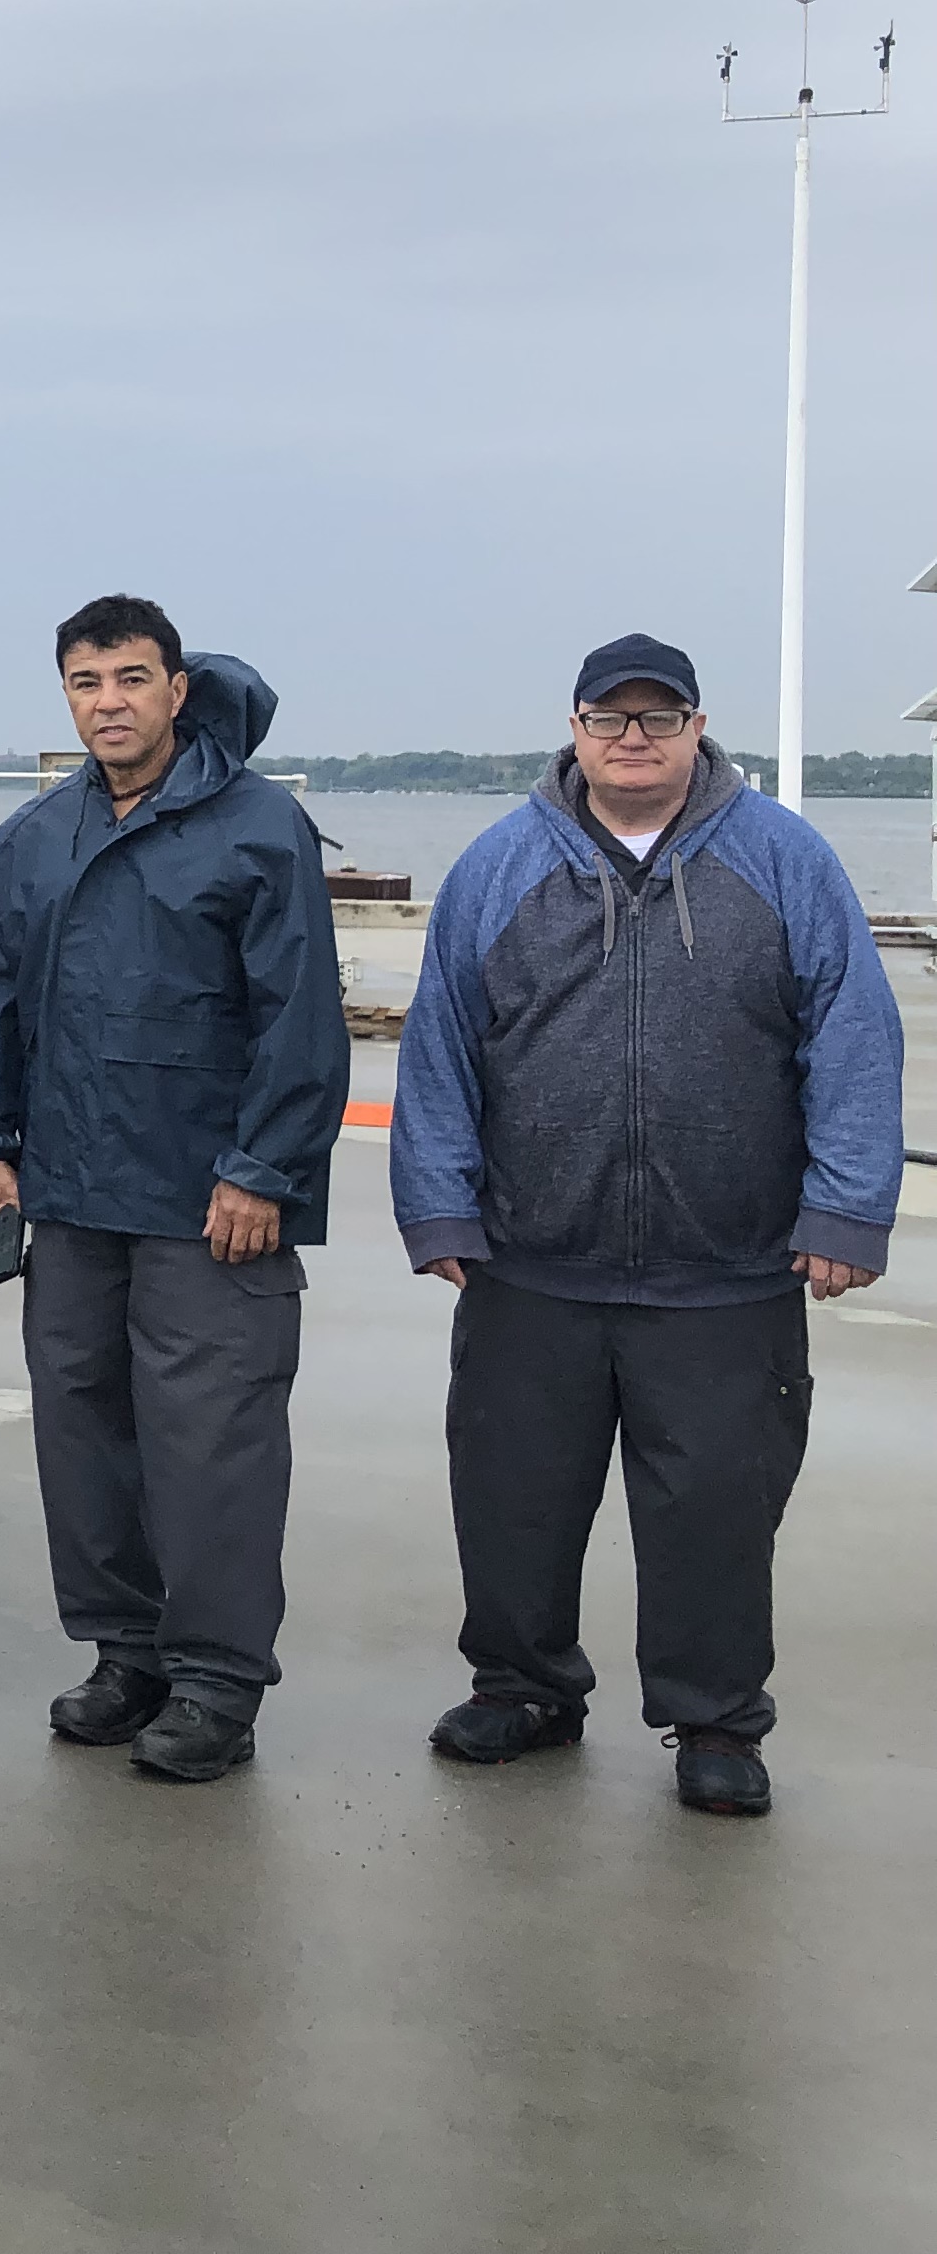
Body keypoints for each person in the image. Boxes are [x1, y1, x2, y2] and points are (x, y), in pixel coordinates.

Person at [392, 632, 901, 1819]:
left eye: (656, 719)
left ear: (697, 728)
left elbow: (854, 1037)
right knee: (514, 1493)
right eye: (609, 719)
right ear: (573, 729)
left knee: (716, 1511)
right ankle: (523, 1687)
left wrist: (844, 1207)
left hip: (729, 1269)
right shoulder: (498, 865)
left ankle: (716, 1720)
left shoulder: (786, 860)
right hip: (533, 1263)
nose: (633, 739)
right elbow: (441, 1050)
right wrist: (440, 1204)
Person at [0, 599, 343, 1784]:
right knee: (83, 1433)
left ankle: (218, 1680)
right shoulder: (33, 839)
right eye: (85, 681)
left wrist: (261, 1168)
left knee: (213, 1444)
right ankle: (128, 1653)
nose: (108, 700)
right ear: (65, 698)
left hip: (208, 1201)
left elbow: (299, 1016)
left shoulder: (261, 829)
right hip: (69, 1197)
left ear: (179, 688)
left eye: (131, 677)